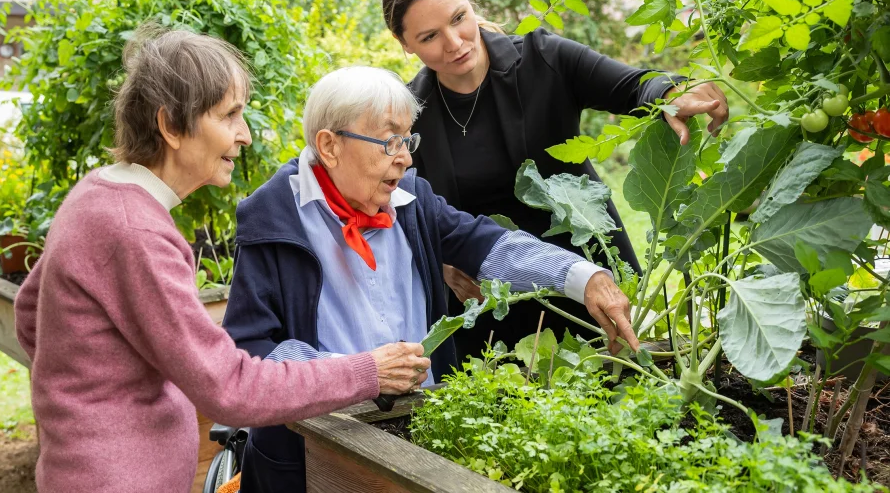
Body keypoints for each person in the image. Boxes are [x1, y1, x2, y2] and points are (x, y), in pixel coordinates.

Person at [12, 27, 431, 492]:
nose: (245, 135)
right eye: (230, 115)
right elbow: (228, 390)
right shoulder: (137, 231)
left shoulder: (95, 195)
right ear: (171, 125)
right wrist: (367, 371)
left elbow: (30, 316)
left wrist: (91, 394)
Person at [222, 66, 641, 493]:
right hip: (313, 453)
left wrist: (584, 277)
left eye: (407, 140)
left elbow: (487, 244)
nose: (404, 157)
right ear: (329, 146)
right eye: (389, 142)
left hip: (411, 440)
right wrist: (357, 372)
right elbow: (248, 350)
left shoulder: (411, 202)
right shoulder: (273, 218)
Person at [381, 0, 729, 360]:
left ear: (470, 4)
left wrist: (673, 94)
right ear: (405, 44)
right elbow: (402, 207)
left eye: (459, 18)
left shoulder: (542, 59)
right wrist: (441, 261)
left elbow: (635, 86)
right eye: (429, 37)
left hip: (586, 284)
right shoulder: (412, 114)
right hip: (489, 302)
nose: (455, 42)